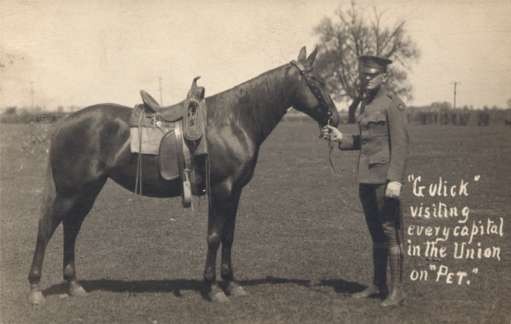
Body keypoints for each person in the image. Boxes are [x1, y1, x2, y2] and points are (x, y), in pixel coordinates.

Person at [321, 55, 409, 307]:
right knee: (376, 234)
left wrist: (395, 179)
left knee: (390, 232)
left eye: (372, 75)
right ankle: (378, 284)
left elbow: (401, 144)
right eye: (364, 75)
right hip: (366, 178)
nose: (367, 79)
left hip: (384, 180)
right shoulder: (366, 106)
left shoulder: (392, 105)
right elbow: (365, 141)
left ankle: (397, 290)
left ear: (384, 76)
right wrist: (341, 138)